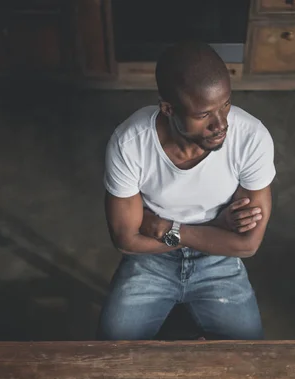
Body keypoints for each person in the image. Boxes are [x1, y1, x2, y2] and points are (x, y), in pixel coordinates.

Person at [98, 41, 275, 341]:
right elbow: (127, 241)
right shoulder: (130, 144)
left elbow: (247, 246)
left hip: (217, 263)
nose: (221, 124)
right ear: (168, 108)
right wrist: (216, 229)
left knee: (250, 357)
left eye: (226, 105)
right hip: (150, 263)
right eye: (204, 114)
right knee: (110, 351)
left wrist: (166, 228)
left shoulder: (251, 138)